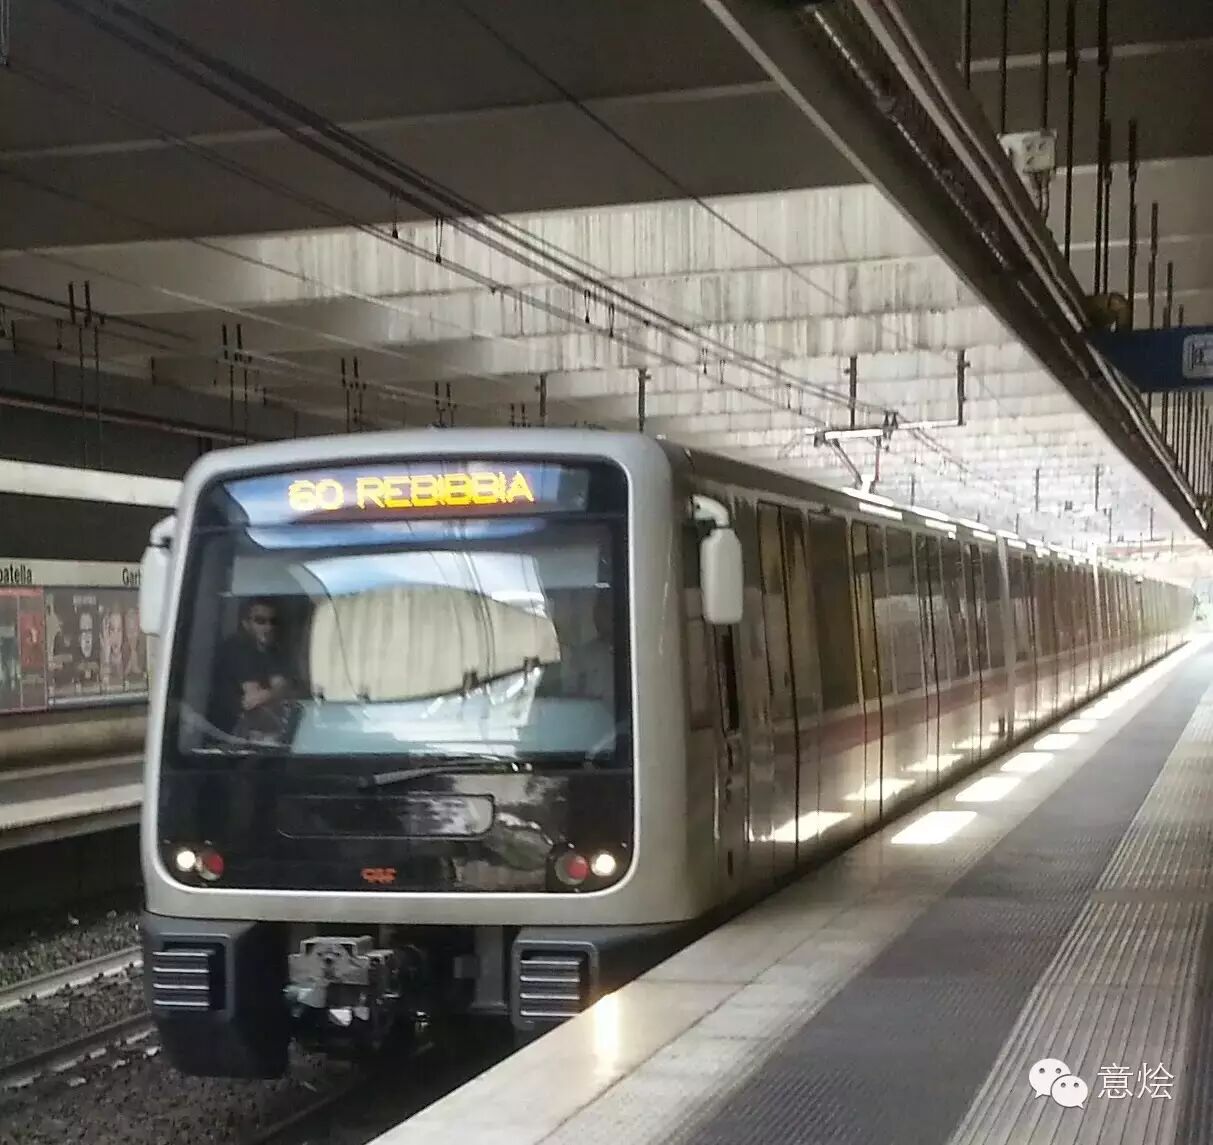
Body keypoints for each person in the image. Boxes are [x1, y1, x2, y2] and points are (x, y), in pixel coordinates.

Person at [211, 597, 292, 739]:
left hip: (261, 731)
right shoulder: (237, 648)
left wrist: (275, 692)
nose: (268, 627)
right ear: (246, 624)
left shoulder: (272, 651)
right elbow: (254, 699)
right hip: (230, 733)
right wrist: (279, 692)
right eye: (260, 621)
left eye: (273, 621)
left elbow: (283, 687)